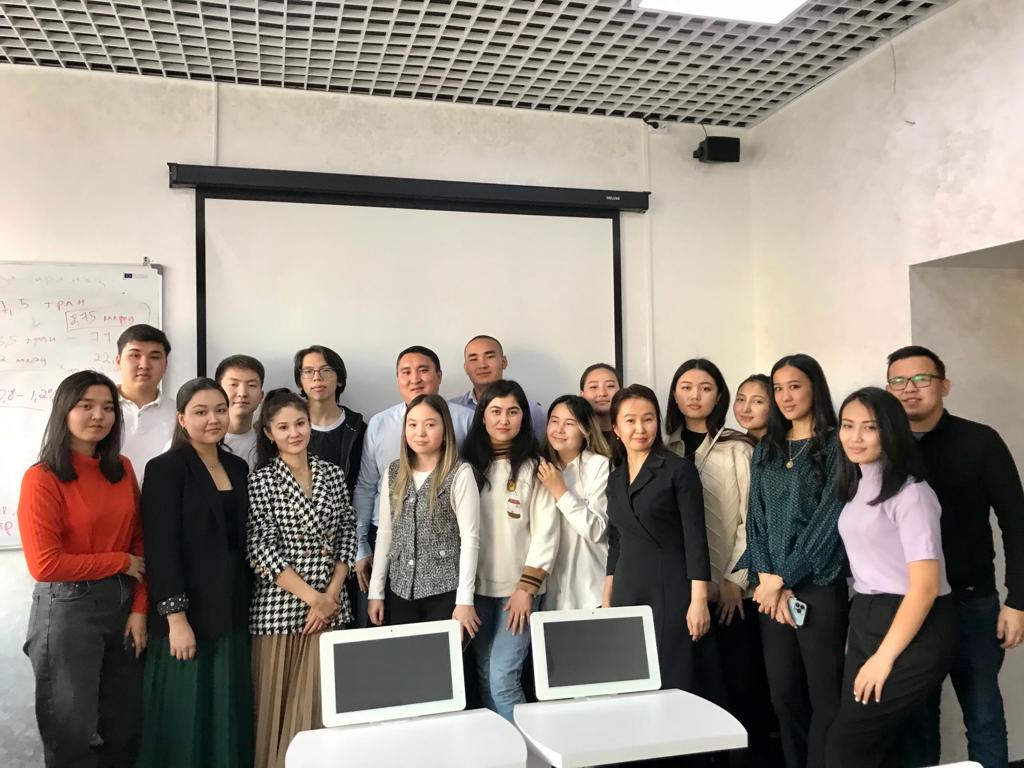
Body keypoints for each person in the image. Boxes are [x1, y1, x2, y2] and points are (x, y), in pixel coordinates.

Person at [886, 345, 1024, 768]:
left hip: (971, 602)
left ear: (944, 385)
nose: (909, 389)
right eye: (898, 381)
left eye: (921, 379)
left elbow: (1016, 521)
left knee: (983, 716)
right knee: (915, 723)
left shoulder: (980, 441)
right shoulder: (882, 448)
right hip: (907, 605)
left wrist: (1017, 600)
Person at [17, 370, 147, 768]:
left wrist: (140, 609)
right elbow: (45, 564)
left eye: (108, 408)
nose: (99, 416)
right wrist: (119, 562)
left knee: (122, 729)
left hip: (122, 606)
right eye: (86, 406)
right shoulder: (42, 478)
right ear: (64, 411)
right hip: (68, 610)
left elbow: (139, 540)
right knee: (72, 734)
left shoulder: (122, 468)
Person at [826, 387, 956, 768]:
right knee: (890, 747)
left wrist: (883, 658)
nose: (855, 437)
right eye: (848, 425)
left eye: (869, 427)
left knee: (847, 746)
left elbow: (925, 588)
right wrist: (859, 636)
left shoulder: (912, 494)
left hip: (916, 622)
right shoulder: (856, 486)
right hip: (868, 615)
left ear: (890, 431)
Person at [136, 378, 253, 768]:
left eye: (220, 410)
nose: (213, 419)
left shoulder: (237, 466)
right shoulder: (166, 469)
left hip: (232, 605)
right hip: (187, 611)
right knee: (187, 713)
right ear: (182, 419)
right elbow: (161, 548)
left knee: (227, 709)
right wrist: (176, 618)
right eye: (201, 412)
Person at [664, 359, 776, 765]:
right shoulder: (664, 449)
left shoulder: (737, 448)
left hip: (731, 593)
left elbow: (753, 519)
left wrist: (736, 579)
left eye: (706, 387)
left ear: (718, 396)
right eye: (686, 387)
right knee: (690, 693)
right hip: (683, 591)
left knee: (737, 690)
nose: (695, 395)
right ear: (675, 395)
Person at [745, 353, 848, 768]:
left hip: (818, 586)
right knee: (783, 696)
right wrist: (768, 579)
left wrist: (782, 579)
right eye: (778, 388)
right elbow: (755, 520)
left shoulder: (836, 444)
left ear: (814, 388)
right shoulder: (766, 448)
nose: (785, 396)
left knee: (825, 697)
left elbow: (829, 521)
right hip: (772, 591)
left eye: (795, 386)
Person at [247, 389, 356, 768]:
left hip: (332, 606)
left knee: (323, 708)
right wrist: (314, 599)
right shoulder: (261, 481)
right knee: (278, 711)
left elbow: (347, 534)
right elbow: (260, 549)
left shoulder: (332, 473)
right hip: (282, 610)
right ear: (268, 433)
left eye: (300, 423)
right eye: (283, 427)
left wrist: (331, 595)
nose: (294, 433)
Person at [352, 346, 474, 627]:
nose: (415, 378)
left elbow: (470, 532)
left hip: (446, 558)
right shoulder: (381, 427)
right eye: (406, 372)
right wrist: (362, 545)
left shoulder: (465, 421)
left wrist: (465, 598)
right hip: (391, 550)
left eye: (423, 370)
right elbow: (366, 488)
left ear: (439, 375)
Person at [603, 384, 712, 695]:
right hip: (627, 587)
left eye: (648, 419)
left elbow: (696, 539)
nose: (640, 429)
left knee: (670, 678)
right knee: (629, 677)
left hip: (670, 588)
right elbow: (616, 540)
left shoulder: (678, 470)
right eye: (630, 421)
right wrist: (608, 592)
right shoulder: (615, 477)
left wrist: (699, 601)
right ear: (616, 428)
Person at [461, 380, 560, 721]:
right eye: (496, 411)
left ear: (524, 418)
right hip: (477, 591)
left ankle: (526, 747)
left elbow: (547, 533)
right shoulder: (466, 466)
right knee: (484, 671)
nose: (504, 420)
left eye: (513, 412)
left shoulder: (536, 466)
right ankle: (502, 746)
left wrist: (526, 590)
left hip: (518, 592)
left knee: (503, 678)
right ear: (483, 416)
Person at [367, 394, 481, 638]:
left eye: (430, 424)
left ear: (445, 432)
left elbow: (470, 540)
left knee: (442, 659)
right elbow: (385, 534)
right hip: (400, 590)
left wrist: (465, 600)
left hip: (445, 592)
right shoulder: (394, 471)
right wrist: (376, 592)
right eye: (412, 424)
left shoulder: (460, 473)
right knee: (407, 658)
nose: (420, 432)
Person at [537, 395, 612, 610]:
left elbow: (597, 530)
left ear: (586, 430)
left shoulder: (599, 466)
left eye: (569, 423)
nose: (559, 429)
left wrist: (560, 492)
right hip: (548, 594)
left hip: (592, 592)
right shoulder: (539, 465)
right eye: (554, 421)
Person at [293, 344, 365, 496]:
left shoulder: (358, 429)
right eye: (308, 371)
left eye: (325, 370)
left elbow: (364, 484)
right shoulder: (288, 427)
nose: (317, 377)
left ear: (340, 380)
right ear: (300, 383)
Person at [450, 334, 547, 440]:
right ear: (466, 368)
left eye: (490, 357)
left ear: (503, 362)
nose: (482, 365)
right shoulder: (451, 410)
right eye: (474, 359)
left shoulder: (533, 411)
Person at [115, 324, 176, 483]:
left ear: (165, 365)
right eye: (135, 355)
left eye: (154, 357)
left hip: (161, 497)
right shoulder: (99, 411)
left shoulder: (180, 414)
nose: (144, 365)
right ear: (118, 361)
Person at [216, 354, 266, 472]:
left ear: (261, 396)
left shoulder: (268, 446)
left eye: (251, 385)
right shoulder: (202, 443)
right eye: (233, 384)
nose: (242, 393)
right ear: (217, 392)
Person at [579, 362, 621, 442]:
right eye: (593, 387)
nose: (602, 393)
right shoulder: (574, 436)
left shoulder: (633, 433)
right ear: (582, 394)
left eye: (610, 386)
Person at [734, 373, 771, 441]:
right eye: (741, 399)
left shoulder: (787, 445)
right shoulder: (736, 444)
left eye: (757, 401)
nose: (745, 409)